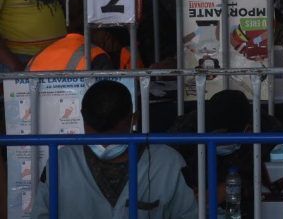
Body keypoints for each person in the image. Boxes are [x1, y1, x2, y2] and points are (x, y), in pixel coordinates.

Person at [31, 80, 197, 218]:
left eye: (113, 136)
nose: (104, 145)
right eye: (96, 135)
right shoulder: (62, 162)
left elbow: (189, 214)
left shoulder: (168, 163)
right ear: (82, 117)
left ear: (134, 119)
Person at [167, 89, 283, 217]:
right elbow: (168, 168)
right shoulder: (186, 130)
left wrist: (232, 188)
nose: (215, 142)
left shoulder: (268, 132)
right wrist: (187, 191)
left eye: (221, 136)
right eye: (211, 136)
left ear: (247, 130)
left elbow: (271, 179)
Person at [27, 20, 130, 71]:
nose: (110, 39)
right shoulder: (96, 54)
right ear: (95, 30)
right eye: (107, 33)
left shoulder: (39, 54)